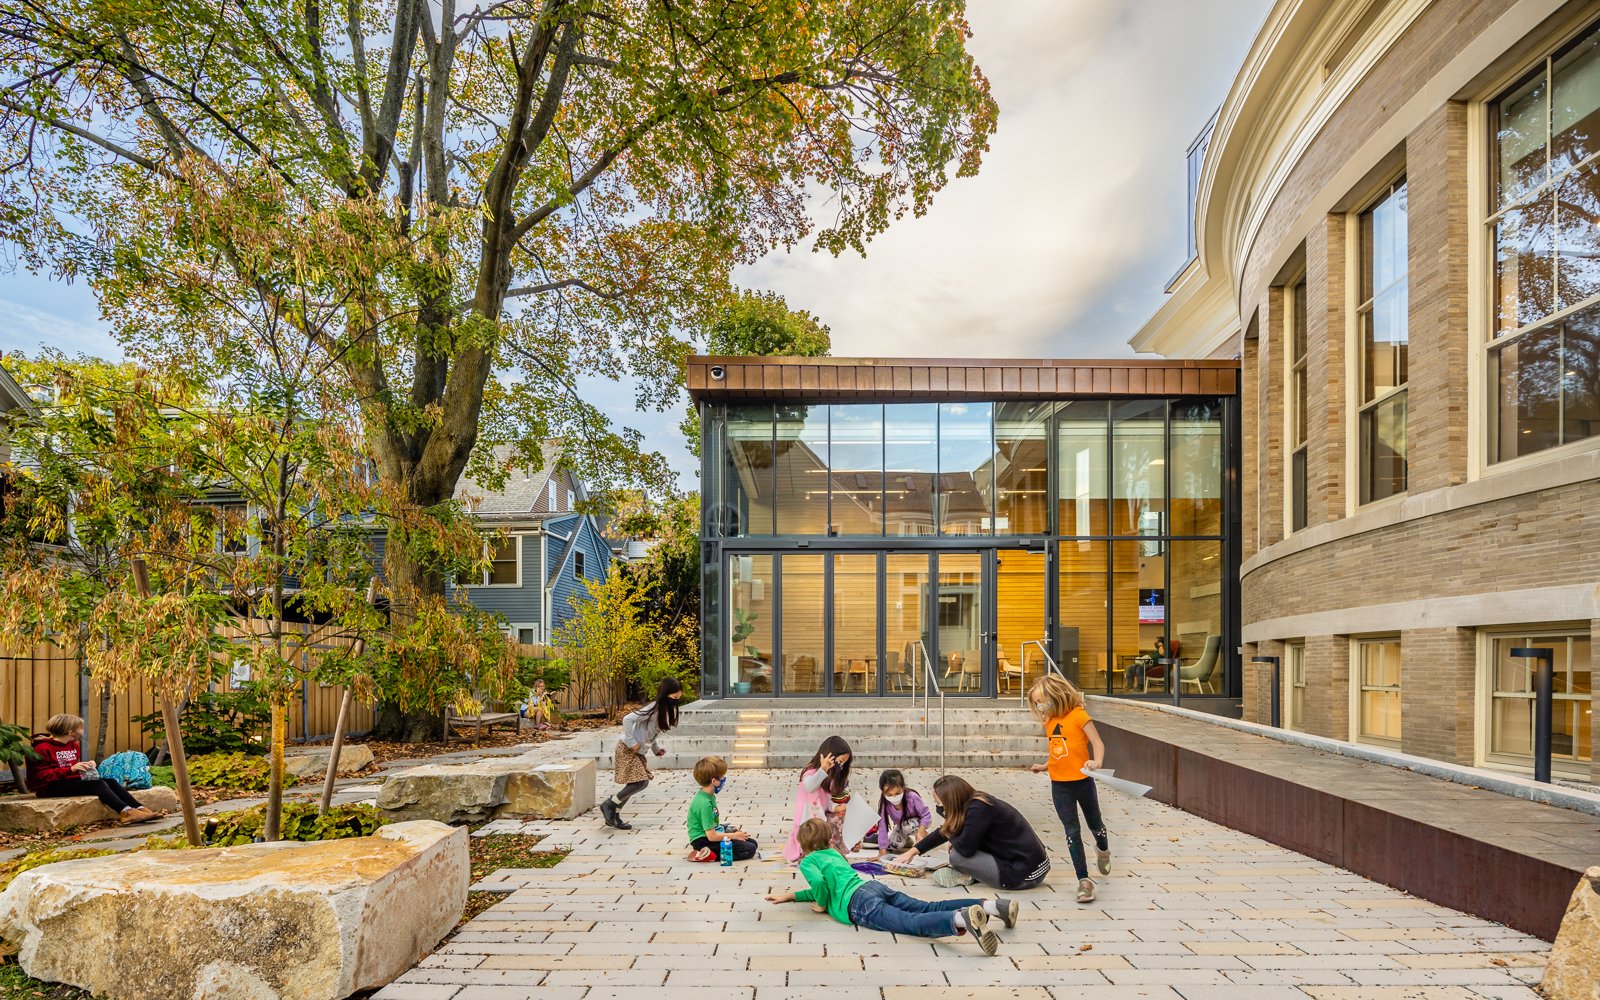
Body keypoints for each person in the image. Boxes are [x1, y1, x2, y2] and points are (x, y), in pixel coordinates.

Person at [765, 818, 1017, 956]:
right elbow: (828, 885)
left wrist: (820, 905)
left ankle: (961, 920)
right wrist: (791, 896)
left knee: (909, 922)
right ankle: (992, 906)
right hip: (872, 888)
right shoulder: (832, 854)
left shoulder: (809, 861)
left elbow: (820, 886)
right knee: (927, 907)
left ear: (804, 845)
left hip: (858, 904)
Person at [1029, 674, 1111, 903]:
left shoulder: (1078, 715)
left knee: (1095, 824)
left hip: (1083, 782)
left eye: (1041, 701)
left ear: (1055, 695)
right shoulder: (1049, 721)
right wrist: (1045, 766)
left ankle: (1103, 849)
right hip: (1059, 785)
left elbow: (1098, 743)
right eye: (1036, 703)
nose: (1039, 706)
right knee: (1072, 832)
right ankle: (1084, 881)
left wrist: (1097, 762)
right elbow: (1058, 750)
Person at [893, 775, 1050, 891]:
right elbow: (946, 831)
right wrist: (913, 852)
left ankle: (970, 875)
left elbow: (965, 848)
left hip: (1024, 874)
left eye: (940, 803)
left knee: (957, 856)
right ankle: (976, 873)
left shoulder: (979, 809)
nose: (939, 808)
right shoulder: (975, 802)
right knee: (957, 847)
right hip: (1030, 864)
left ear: (951, 800)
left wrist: (953, 838)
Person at [27, 714, 158, 825]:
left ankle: (139, 808)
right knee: (97, 784)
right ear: (71, 732)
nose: (83, 731)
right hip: (48, 787)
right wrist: (71, 769)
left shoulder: (72, 745)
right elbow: (41, 775)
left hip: (66, 781)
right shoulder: (41, 748)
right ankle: (126, 812)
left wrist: (85, 766)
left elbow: (67, 767)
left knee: (110, 781)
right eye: (81, 728)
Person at [600, 677, 682, 830]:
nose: (676, 701)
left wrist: (656, 749)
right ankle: (609, 804)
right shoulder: (653, 708)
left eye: (678, 698)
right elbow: (627, 719)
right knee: (640, 782)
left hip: (637, 751)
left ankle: (614, 816)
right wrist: (632, 743)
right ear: (665, 695)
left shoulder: (663, 711)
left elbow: (651, 733)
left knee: (633, 784)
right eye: (674, 698)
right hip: (626, 749)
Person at [783, 736, 853, 862]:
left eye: (844, 763)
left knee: (839, 816)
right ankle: (818, 850)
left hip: (822, 818)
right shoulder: (811, 771)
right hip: (809, 823)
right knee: (816, 836)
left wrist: (836, 807)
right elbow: (810, 786)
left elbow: (827, 798)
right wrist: (823, 769)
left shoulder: (831, 776)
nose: (841, 765)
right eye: (840, 761)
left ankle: (833, 848)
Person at [685, 756, 758, 862]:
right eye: (722, 777)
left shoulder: (708, 795)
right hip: (703, 841)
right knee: (750, 849)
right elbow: (712, 836)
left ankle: (709, 852)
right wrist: (734, 836)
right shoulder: (704, 804)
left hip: (709, 834)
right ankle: (706, 854)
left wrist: (729, 830)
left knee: (752, 843)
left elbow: (712, 824)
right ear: (714, 781)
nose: (724, 779)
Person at [871, 769, 932, 859]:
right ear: (882, 791)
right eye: (889, 795)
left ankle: (924, 836)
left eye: (898, 793)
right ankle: (907, 841)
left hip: (916, 824)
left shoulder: (912, 797)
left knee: (907, 826)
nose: (894, 797)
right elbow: (882, 826)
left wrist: (920, 831)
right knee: (893, 845)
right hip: (901, 826)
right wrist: (882, 852)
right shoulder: (884, 803)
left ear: (903, 787)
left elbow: (926, 814)